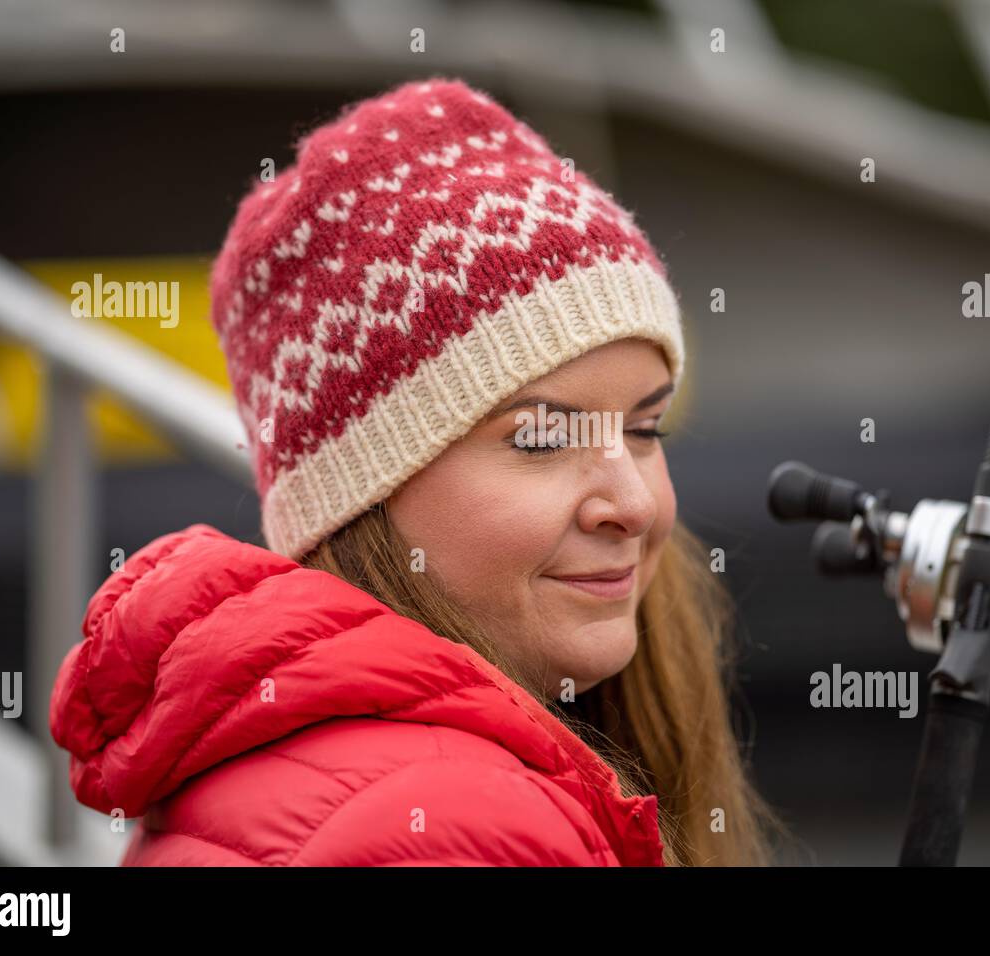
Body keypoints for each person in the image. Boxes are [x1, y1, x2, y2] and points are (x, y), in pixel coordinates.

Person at [50, 77, 791, 866]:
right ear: (362, 494)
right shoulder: (454, 832)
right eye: (541, 440)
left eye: (645, 429)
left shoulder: (298, 759)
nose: (635, 504)